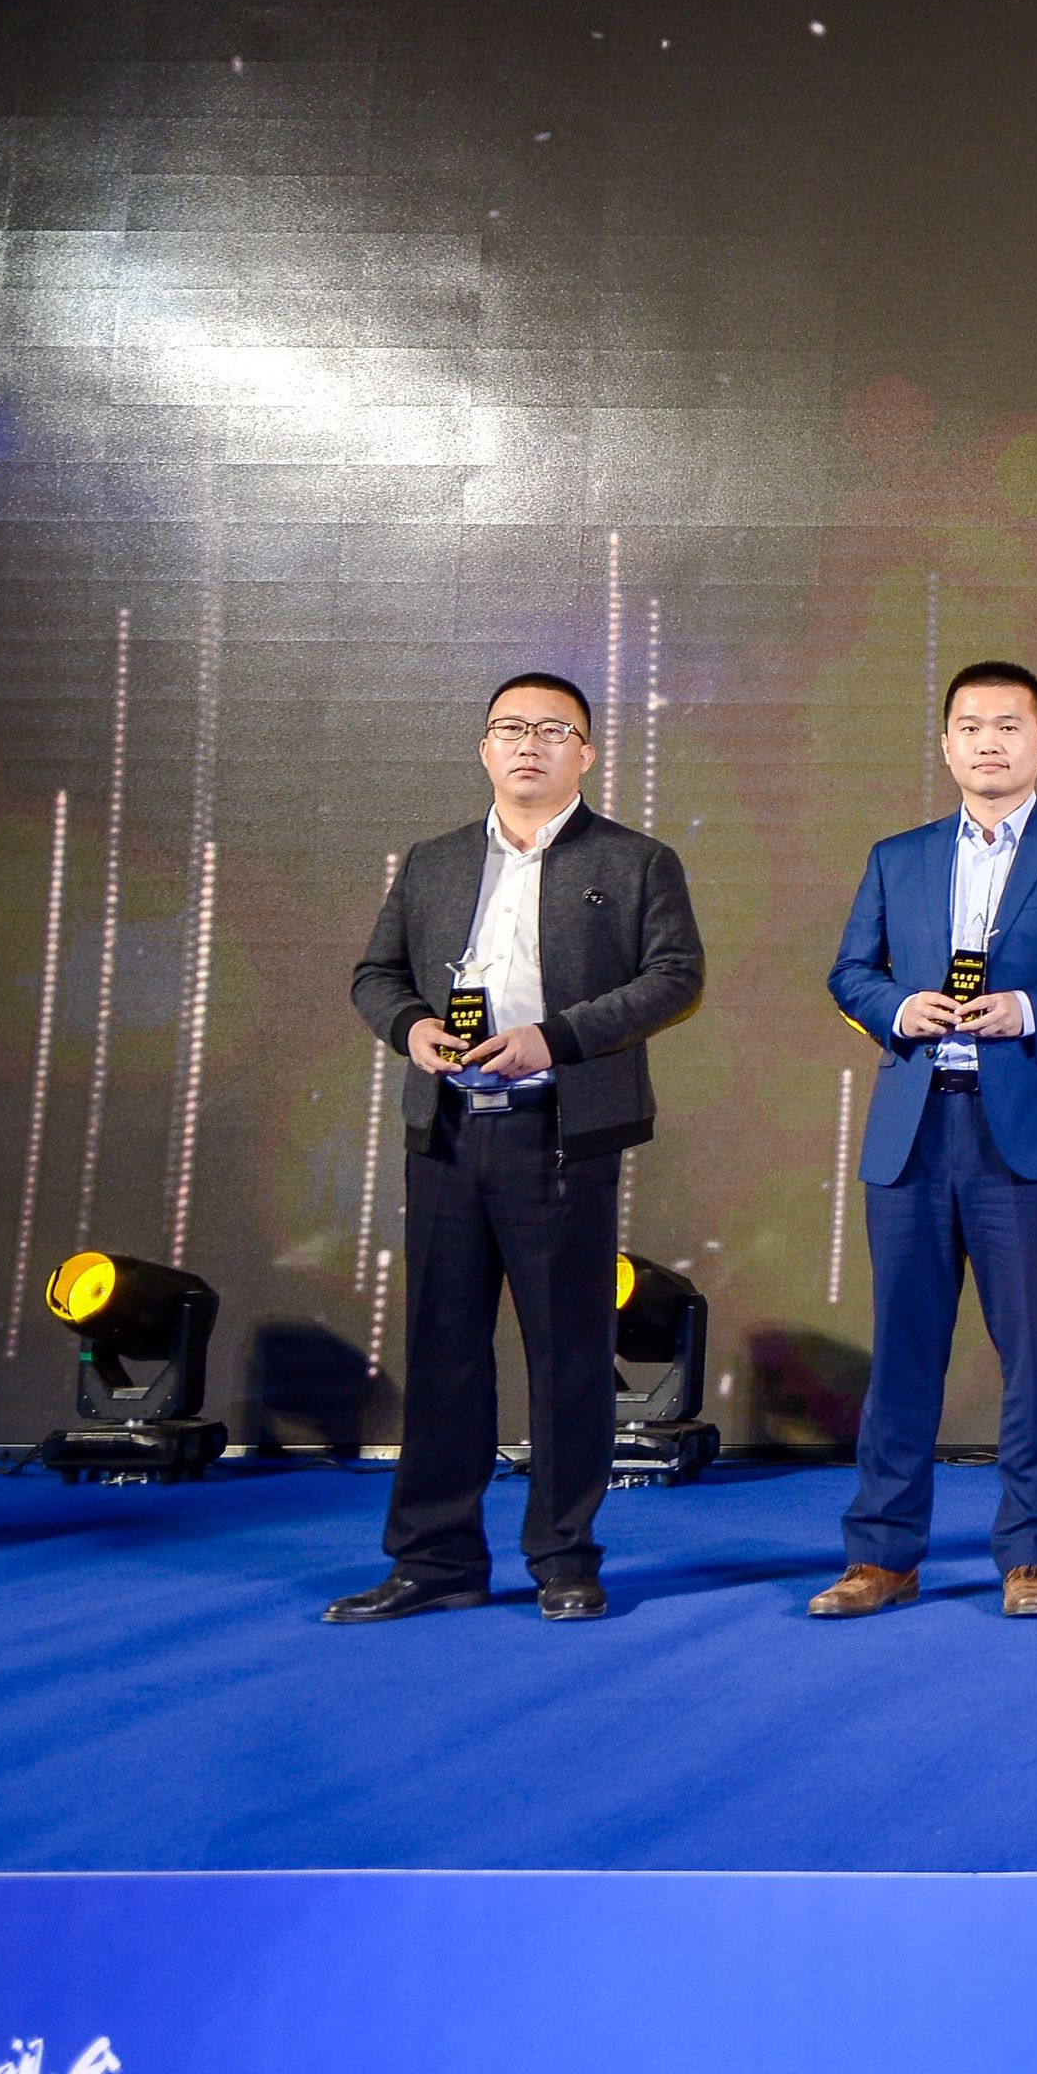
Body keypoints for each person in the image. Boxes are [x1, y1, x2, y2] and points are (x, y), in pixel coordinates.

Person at [333, 671, 704, 1623]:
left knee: (569, 1355)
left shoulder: (635, 861)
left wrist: (557, 1039)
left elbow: (675, 978)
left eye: (552, 730)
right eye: (509, 728)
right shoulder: (433, 861)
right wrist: (411, 1027)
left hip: (560, 1132)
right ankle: (435, 1562)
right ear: (484, 749)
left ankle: (565, 1559)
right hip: (447, 1130)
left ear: (586, 753)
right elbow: (375, 974)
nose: (528, 744)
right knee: (443, 1351)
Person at [811, 661, 1037, 1620]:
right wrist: (899, 1008)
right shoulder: (899, 856)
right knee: (902, 1352)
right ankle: (882, 1557)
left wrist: (1029, 1008)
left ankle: (1032, 1556)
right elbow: (850, 973)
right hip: (914, 1128)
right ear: (947, 744)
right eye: (970, 726)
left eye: (1009, 725)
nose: (989, 742)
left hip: (1029, 1137)